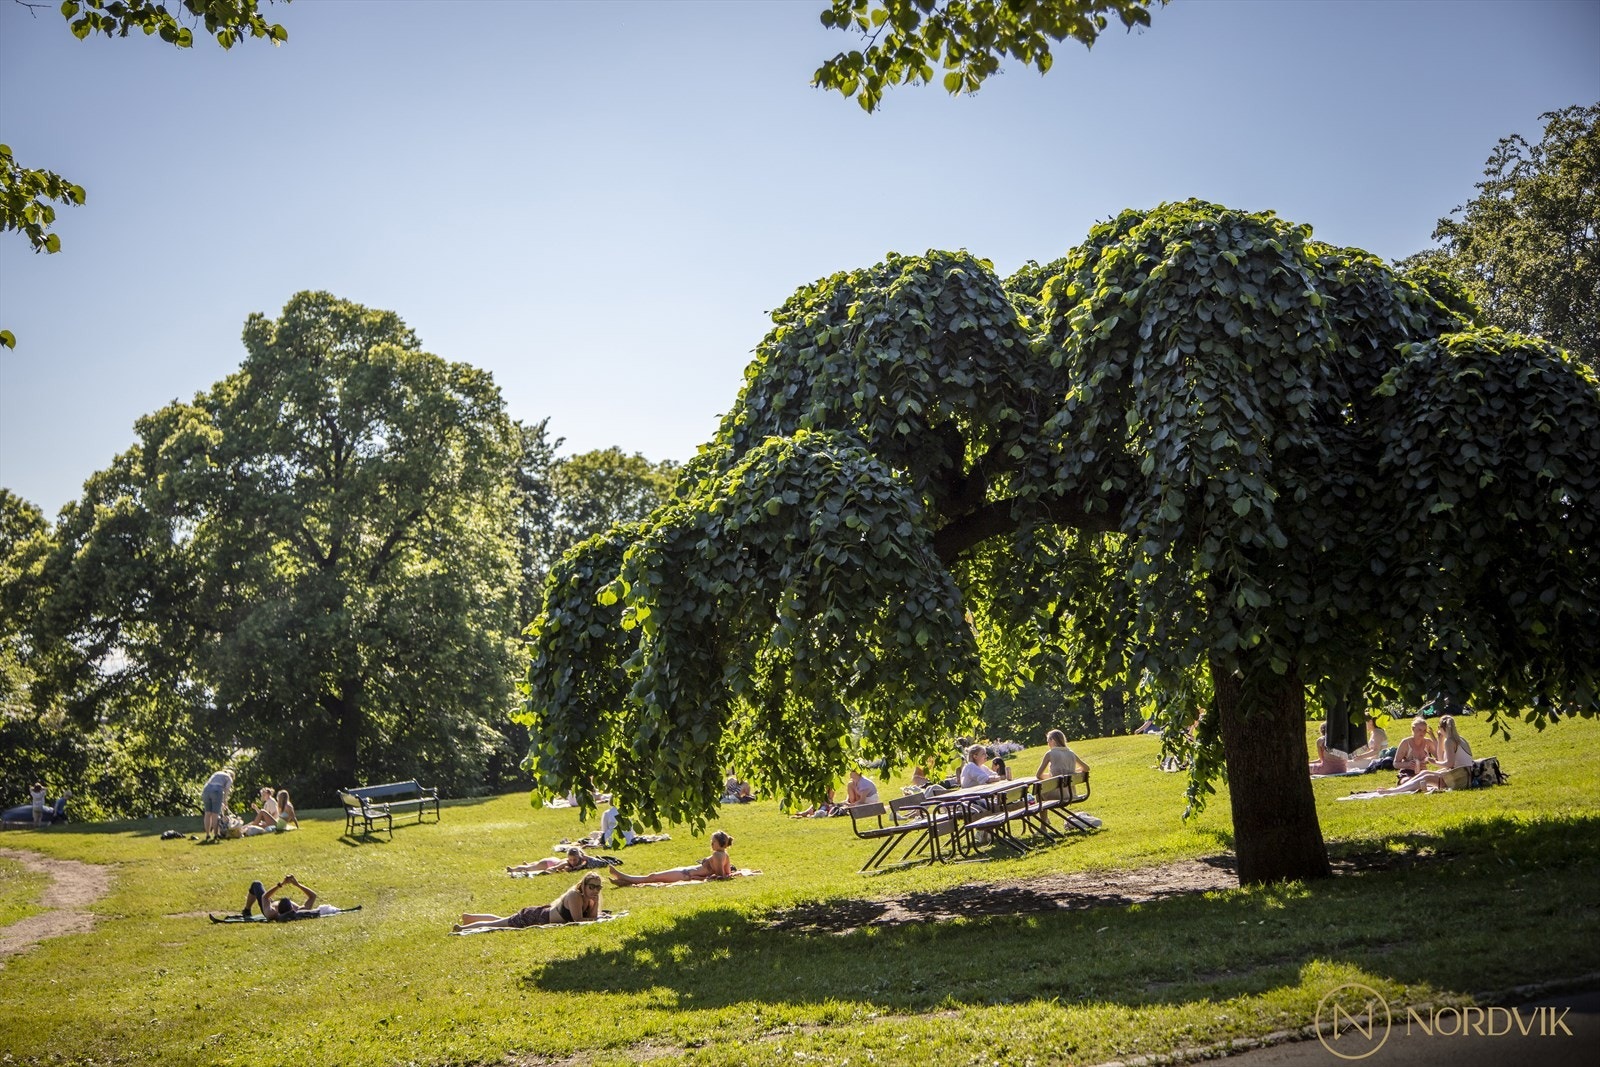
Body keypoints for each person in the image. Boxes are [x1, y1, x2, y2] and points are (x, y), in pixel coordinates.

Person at [453, 872, 604, 932]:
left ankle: (470, 918)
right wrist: (596, 918)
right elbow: (578, 920)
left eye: (598, 887)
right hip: (535, 917)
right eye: (592, 887)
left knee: (504, 921)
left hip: (541, 915)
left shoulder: (590, 898)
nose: (595, 890)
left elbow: (592, 918)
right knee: (498, 924)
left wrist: (595, 902)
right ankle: (462, 928)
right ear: (583, 885)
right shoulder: (575, 896)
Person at [607, 831, 734, 885]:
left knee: (653, 877)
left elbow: (721, 876)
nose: (711, 844)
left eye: (713, 842)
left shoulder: (717, 855)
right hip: (686, 872)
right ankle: (624, 881)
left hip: (685, 875)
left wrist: (700, 877)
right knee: (653, 878)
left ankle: (622, 877)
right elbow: (728, 873)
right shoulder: (725, 855)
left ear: (720, 843)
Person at [264, 875, 341, 920]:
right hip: (269, 902)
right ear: (292, 908)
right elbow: (313, 896)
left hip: (265, 904)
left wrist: (281, 884)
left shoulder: (271, 912)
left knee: (257, 884)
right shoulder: (298, 910)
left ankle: (250, 910)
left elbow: (264, 897)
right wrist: (297, 884)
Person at [507, 846, 614, 875]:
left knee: (535, 865)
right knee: (530, 868)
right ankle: (513, 869)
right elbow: (554, 868)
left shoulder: (582, 860)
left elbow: (593, 861)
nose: (572, 862)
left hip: (553, 860)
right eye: (571, 860)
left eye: (574, 860)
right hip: (549, 863)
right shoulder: (566, 862)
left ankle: (530, 864)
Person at [200, 767, 234, 840]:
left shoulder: (217, 773)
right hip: (217, 790)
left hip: (206, 790)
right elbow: (226, 789)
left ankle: (207, 834)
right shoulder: (229, 778)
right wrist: (225, 801)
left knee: (207, 813)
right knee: (215, 814)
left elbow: (209, 782)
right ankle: (216, 834)